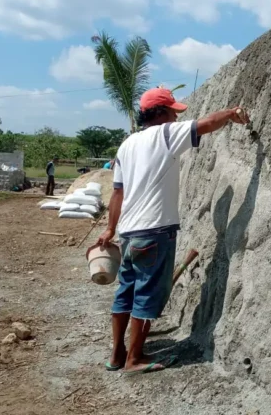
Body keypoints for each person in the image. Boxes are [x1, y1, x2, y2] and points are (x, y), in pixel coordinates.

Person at [97, 87, 249, 374]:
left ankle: (117, 355)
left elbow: (118, 193)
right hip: (155, 231)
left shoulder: (127, 145)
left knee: (125, 293)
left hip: (129, 234)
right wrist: (231, 113)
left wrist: (110, 229)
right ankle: (135, 359)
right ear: (161, 114)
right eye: (173, 112)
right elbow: (206, 124)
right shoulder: (165, 134)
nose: (177, 118)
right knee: (147, 294)